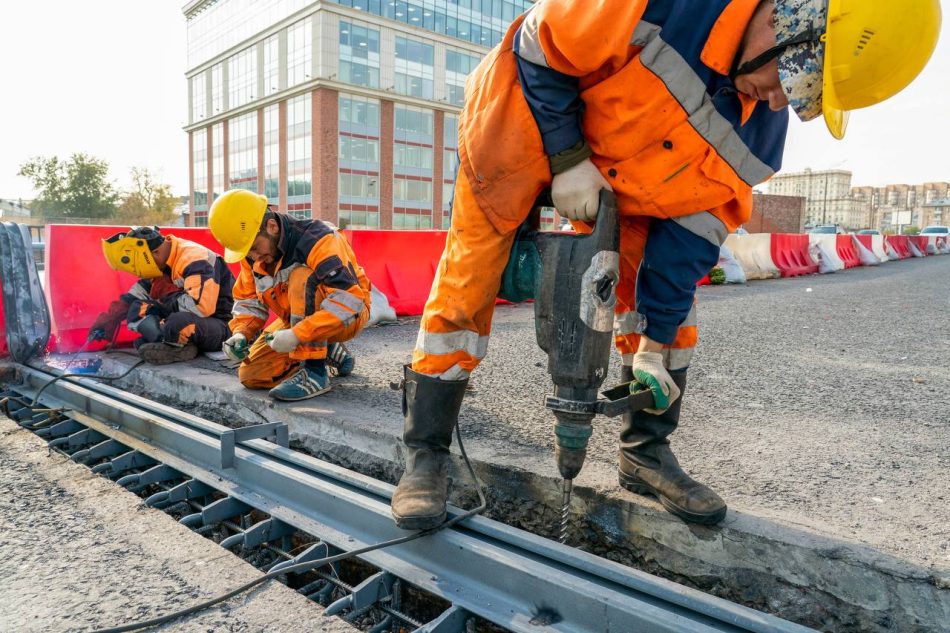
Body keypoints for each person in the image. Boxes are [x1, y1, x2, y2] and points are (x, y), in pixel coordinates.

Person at [390, 0, 941, 530]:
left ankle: (645, 453)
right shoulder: (662, 4)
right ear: (782, 22)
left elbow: (689, 241)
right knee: (470, 277)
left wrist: (652, 346)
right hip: (523, 122)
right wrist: (568, 159)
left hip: (632, 180)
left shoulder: (760, 136)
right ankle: (426, 454)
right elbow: (540, 45)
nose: (779, 103)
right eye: (789, 81)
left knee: (670, 319)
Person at [208, 189, 370, 402]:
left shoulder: (318, 239)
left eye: (255, 248)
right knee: (252, 375)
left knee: (302, 276)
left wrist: (298, 335)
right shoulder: (252, 254)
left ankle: (315, 373)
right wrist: (241, 333)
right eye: (248, 252)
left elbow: (349, 300)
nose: (255, 257)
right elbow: (248, 299)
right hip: (296, 322)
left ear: (272, 227)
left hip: (349, 316)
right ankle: (327, 346)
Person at [93, 226, 235, 364]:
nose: (139, 272)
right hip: (193, 317)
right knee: (137, 308)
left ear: (154, 253)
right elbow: (138, 293)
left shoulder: (195, 259)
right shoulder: (161, 260)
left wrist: (166, 293)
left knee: (178, 322)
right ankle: (171, 341)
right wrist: (112, 317)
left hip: (223, 324)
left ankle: (175, 348)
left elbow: (201, 308)